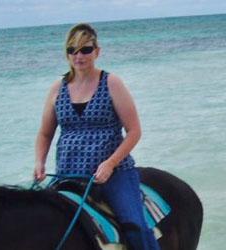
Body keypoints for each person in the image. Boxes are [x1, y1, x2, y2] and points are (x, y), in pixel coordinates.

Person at [33, 23, 159, 250]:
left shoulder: (111, 83)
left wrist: (110, 164)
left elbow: (134, 131)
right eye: (72, 50)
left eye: (85, 49)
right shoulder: (57, 88)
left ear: (97, 51)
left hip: (114, 174)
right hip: (67, 174)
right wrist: (39, 162)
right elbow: (45, 133)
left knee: (135, 225)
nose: (79, 56)